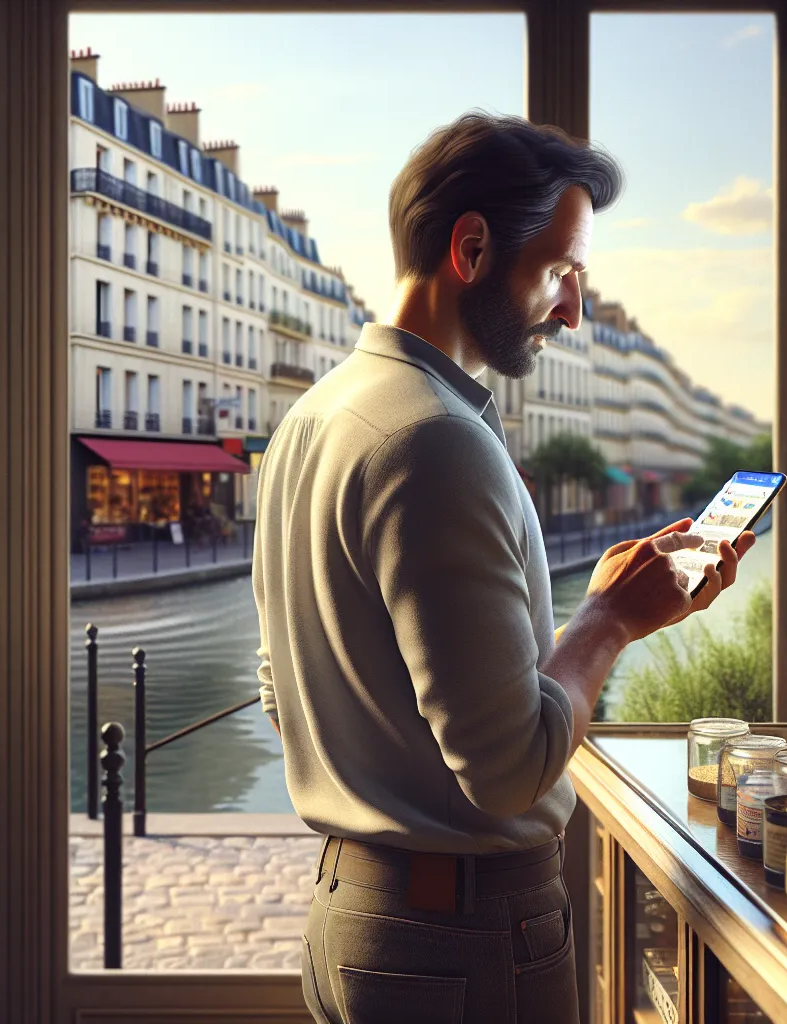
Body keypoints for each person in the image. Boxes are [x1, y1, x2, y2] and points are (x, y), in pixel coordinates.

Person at [251, 112, 754, 1024]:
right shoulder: (438, 438)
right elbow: (510, 771)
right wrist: (608, 624)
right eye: (560, 272)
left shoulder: (313, 420)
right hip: (460, 940)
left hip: (351, 921)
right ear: (473, 248)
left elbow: (286, 692)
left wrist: (593, 611)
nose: (571, 310)